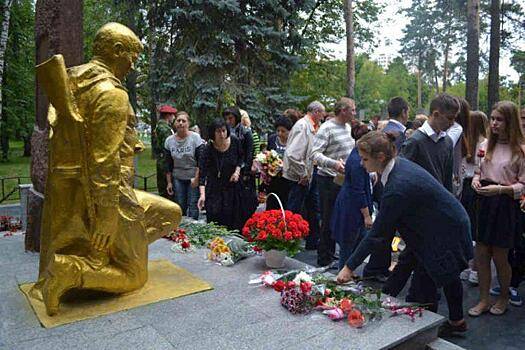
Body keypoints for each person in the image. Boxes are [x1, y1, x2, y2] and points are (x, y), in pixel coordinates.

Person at [32, 23, 181, 315]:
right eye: (132, 56)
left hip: (76, 194)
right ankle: (71, 271)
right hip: (112, 197)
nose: (133, 64)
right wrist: (106, 217)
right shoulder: (110, 92)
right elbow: (104, 161)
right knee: (136, 277)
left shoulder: (74, 78)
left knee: (169, 214)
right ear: (116, 51)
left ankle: (105, 255)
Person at [337, 131, 472, 336]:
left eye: (365, 159)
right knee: (412, 264)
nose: (362, 164)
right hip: (433, 226)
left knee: (429, 282)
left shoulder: (397, 186)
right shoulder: (396, 167)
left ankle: (423, 331)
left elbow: (378, 233)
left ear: (380, 157)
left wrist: (348, 267)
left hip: (443, 231)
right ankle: (454, 320)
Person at [383, 93, 459, 301]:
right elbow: (401, 176)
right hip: (416, 213)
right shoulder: (415, 142)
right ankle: (413, 298)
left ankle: (393, 294)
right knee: (417, 255)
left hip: (436, 212)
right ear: (436, 114)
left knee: (415, 255)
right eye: (449, 119)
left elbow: (446, 181)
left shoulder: (446, 143)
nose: (452, 124)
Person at [469, 101, 525, 316]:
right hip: (484, 201)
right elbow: (478, 170)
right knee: (481, 253)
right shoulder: (485, 145)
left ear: (509, 122)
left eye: (499, 119)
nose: (493, 123)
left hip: (505, 204)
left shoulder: (520, 150)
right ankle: (483, 299)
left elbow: (522, 185)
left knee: (500, 256)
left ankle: (503, 298)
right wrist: (476, 179)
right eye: (492, 118)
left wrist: (500, 190)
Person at [311, 97, 356, 267]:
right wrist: (334, 164)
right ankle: (324, 257)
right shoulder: (327, 128)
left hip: (342, 179)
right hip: (328, 180)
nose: (354, 112)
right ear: (343, 110)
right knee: (328, 218)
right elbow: (314, 154)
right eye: (352, 109)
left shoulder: (347, 127)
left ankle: (331, 253)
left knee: (338, 218)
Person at [331, 123, 372, 270]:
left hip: (350, 204)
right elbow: (358, 191)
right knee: (348, 245)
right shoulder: (358, 162)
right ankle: (344, 274)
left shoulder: (355, 154)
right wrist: (367, 215)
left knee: (356, 241)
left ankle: (348, 272)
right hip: (352, 208)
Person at [282, 101, 324, 249]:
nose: (323, 116)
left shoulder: (311, 126)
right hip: (299, 178)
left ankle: (313, 241)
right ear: (316, 112)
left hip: (309, 175)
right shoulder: (302, 126)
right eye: (322, 113)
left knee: (313, 209)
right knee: (294, 210)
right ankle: (286, 241)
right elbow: (292, 154)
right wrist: (303, 174)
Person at [198, 118, 244, 230]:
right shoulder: (208, 148)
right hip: (214, 188)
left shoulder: (235, 141)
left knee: (232, 219)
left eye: (224, 130)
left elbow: (241, 158)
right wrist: (202, 195)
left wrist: (237, 172)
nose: (222, 134)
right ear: (213, 133)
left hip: (231, 186)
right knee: (214, 219)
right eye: (218, 131)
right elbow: (202, 173)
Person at [459, 111, 488, 285]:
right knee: (477, 231)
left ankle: (467, 266)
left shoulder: (463, 142)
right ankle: (475, 269)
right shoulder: (485, 143)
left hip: (465, 187)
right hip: (478, 186)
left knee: (468, 230)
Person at [164, 111, 204, 220]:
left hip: (192, 176)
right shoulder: (169, 141)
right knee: (180, 204)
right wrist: (169, 182)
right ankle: (181, 230)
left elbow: (200, 161)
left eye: (184, 121)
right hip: (178, 177)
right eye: (178, 121)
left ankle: (194, 228)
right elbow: (168, 164)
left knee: (193, 204)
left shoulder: (195, 138)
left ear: (188, 124)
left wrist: (196, 179)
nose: (181, 123)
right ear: (175, 123)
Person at [223, 107, 257, 224]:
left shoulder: (246, 132)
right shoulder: (225, 131)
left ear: (236, 118)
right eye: (226, 118)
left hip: (243, 171)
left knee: (243, 200)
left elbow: (249, 154)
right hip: (229, 170)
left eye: (230, 118)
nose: (228, 121)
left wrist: (246, 171)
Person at [266, 115, 293, 210]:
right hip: (273, 180)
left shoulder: (294, 141)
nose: (280, 133)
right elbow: (268, 155)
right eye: (278, 130)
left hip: (288, 179)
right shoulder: (272, 139)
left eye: (283, 131)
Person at [154, 104, 177, 198]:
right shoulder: (165, 129)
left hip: (161, 159)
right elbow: (168, 146)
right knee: (167, 189)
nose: (174, 118)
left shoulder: (159, 126)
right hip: (165, 161)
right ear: (168, 116)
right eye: (173, 115)